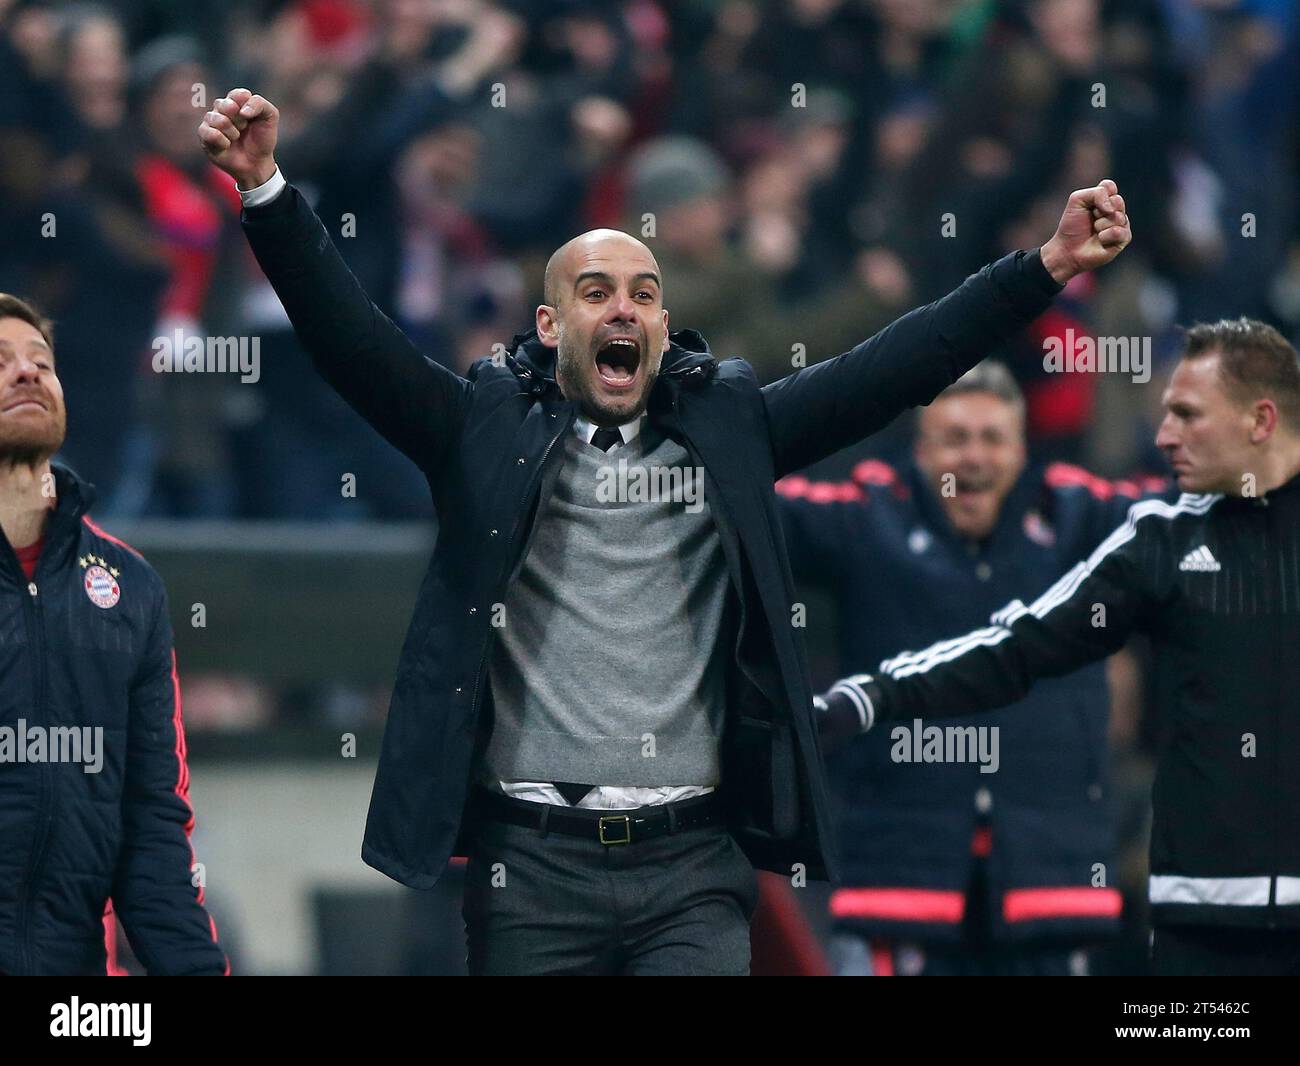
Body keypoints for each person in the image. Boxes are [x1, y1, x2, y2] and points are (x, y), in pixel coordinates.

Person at [198, 86, 1130, 975]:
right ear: (551, 322)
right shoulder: (479, 430)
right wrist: (268, 192)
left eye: (643, 294)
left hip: (691, 864)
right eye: (597, 292)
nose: (624, 310)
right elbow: (348, 338)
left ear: (663, 322)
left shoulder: (733, 426)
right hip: (530, 864)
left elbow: (898, 365)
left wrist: (1042, 267)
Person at [819, 318, 1300, 976]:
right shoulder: (1159, 539)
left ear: (1261, 420)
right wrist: (875, 696)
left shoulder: (1124, 523)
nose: (1162, 438)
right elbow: (1018, 648)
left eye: (1187, 415)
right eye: (1165, 415)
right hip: (1201, 920)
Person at [779, 361, 1167, 974]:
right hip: (898, 879)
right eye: (955, 438)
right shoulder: (869, 511)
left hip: (1048, 882)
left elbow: (1201, 502)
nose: (975, 458)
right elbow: (746, 503)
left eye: (993, 438)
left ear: (1022, 449)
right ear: (920, 447)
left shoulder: (1075, 512)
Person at [0, 293, 226, 975]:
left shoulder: (129, 587)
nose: (28, 372)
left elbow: (152, 826)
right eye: (1, 362)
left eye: (42, 361)